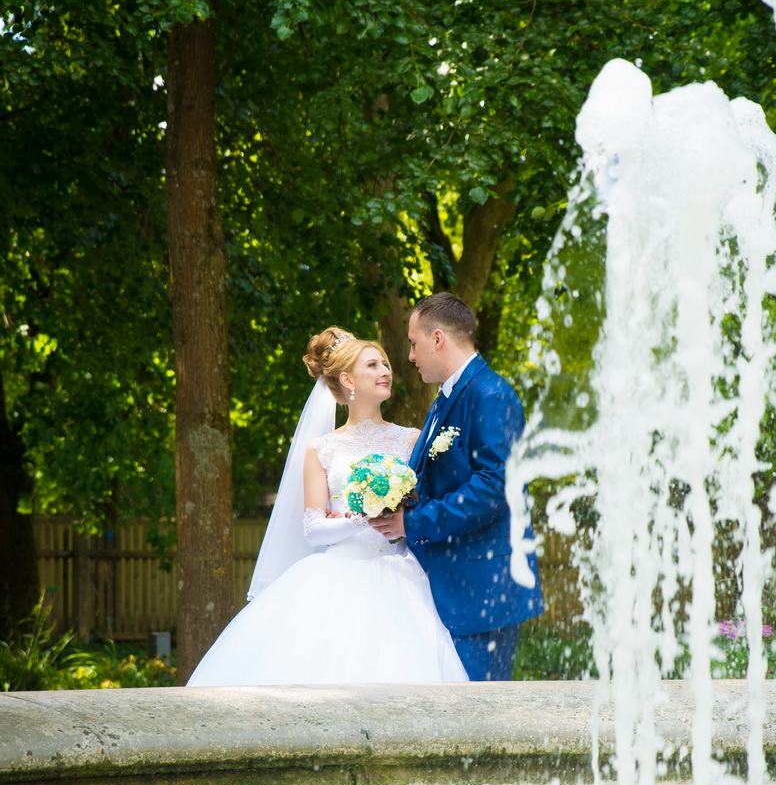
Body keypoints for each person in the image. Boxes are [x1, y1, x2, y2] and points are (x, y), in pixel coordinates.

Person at [187, 328, 467, 686]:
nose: (386, 370)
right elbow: (314, 527)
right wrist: (360, 518)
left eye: (385, 363)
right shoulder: (321, 449)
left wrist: (401, 512)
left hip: (403, 576)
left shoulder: (411, 439)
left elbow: (422, 504)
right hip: (340, 575)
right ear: (347, 379)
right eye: (373, 364)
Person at [372, 292, 543, 680]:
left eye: (414, 344)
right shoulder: (446, 399)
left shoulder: (491, 394)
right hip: (452, 588)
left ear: (438, 339)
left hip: (482, 593)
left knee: (480, 724)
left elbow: (496, 488)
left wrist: (412, 523)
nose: (410, 356)